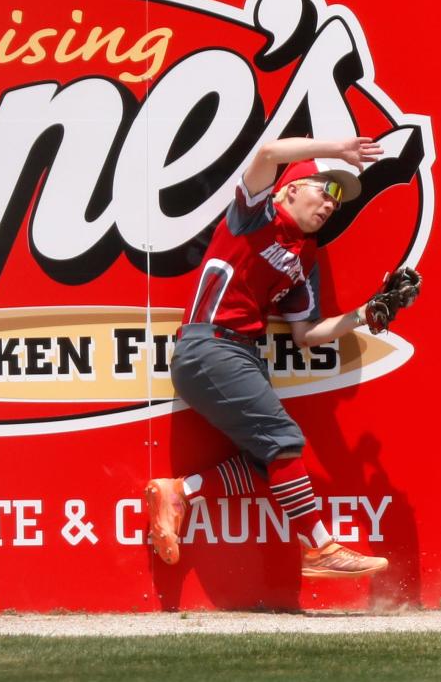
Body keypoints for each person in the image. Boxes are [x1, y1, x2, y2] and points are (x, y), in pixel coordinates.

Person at [147, 136, 390, 578]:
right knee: (285, 440)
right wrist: (339, 151)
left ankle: (181, 491)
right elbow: (266, 153)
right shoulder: (254, 214)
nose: (333, 202)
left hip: (240, 355)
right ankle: (318, 547)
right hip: (210, 346)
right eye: (326, 189)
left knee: (269, 462)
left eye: (339, 197)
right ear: (291, 189)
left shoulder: (305, 256)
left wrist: (362, 314)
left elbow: (304, 334)